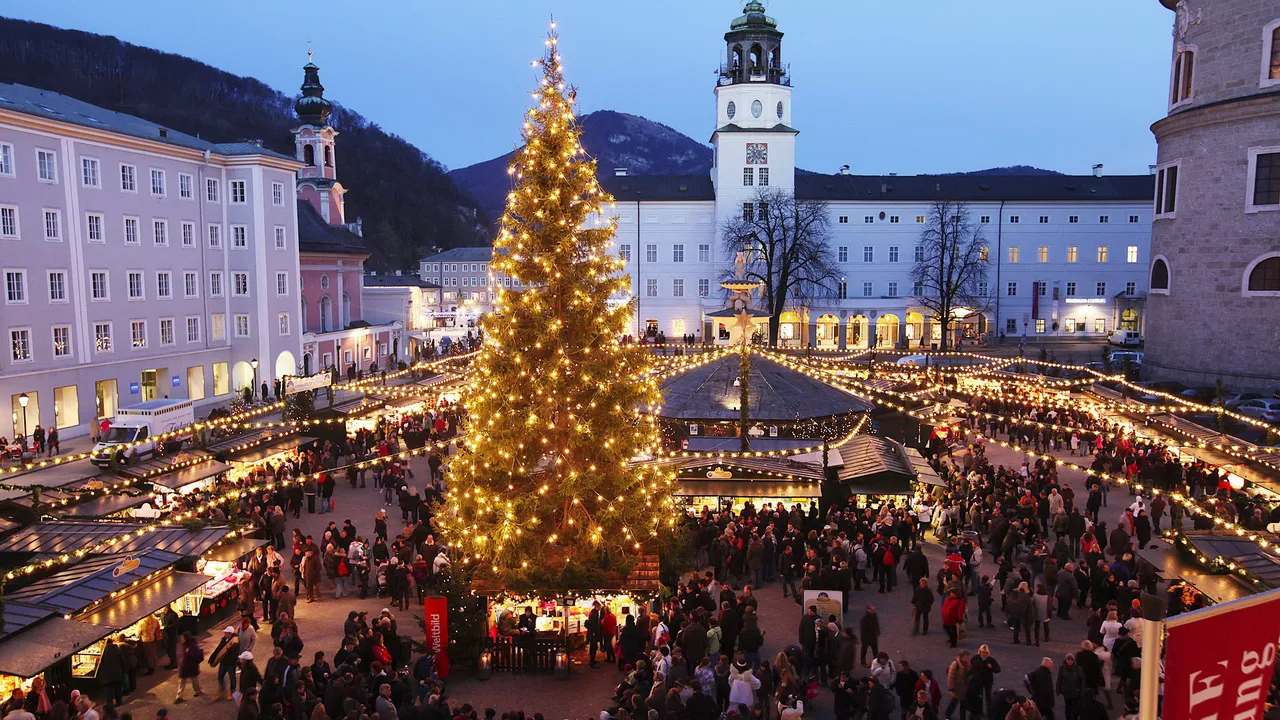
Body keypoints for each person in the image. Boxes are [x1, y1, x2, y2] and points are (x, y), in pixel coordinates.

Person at [175, 632, 204, 704]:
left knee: (194, 681)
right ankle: (179, 697)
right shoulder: (186, 645)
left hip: (191, 667)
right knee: (183, 682)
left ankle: (198, 691)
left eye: (183, 638)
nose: (181, 639)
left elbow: (194, 657)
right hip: (186, 667)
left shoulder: (192, 646)